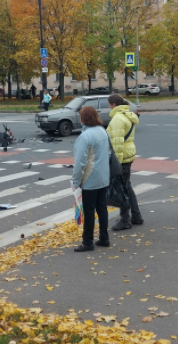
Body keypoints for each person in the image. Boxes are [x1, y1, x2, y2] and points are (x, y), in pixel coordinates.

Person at [71, 106, 110, 252]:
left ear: (83, 119)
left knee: (88, 211)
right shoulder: (102, 131)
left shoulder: (85, 136)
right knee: (102, 209)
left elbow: (80, 162)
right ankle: (104, 238)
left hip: (89, 179)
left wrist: (76, 182)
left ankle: (87, 242)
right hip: (103, 177)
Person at [106, 94, 142, 230]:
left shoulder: (117, 119)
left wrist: (117, 164)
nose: (108, 107)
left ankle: (125, 220)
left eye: (109, 105)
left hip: (122, 157)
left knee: (122, 188)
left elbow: (117, 144)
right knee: (127, 186)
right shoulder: (128, 115)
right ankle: (136, 216)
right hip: (129, 153)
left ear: (113, 105)